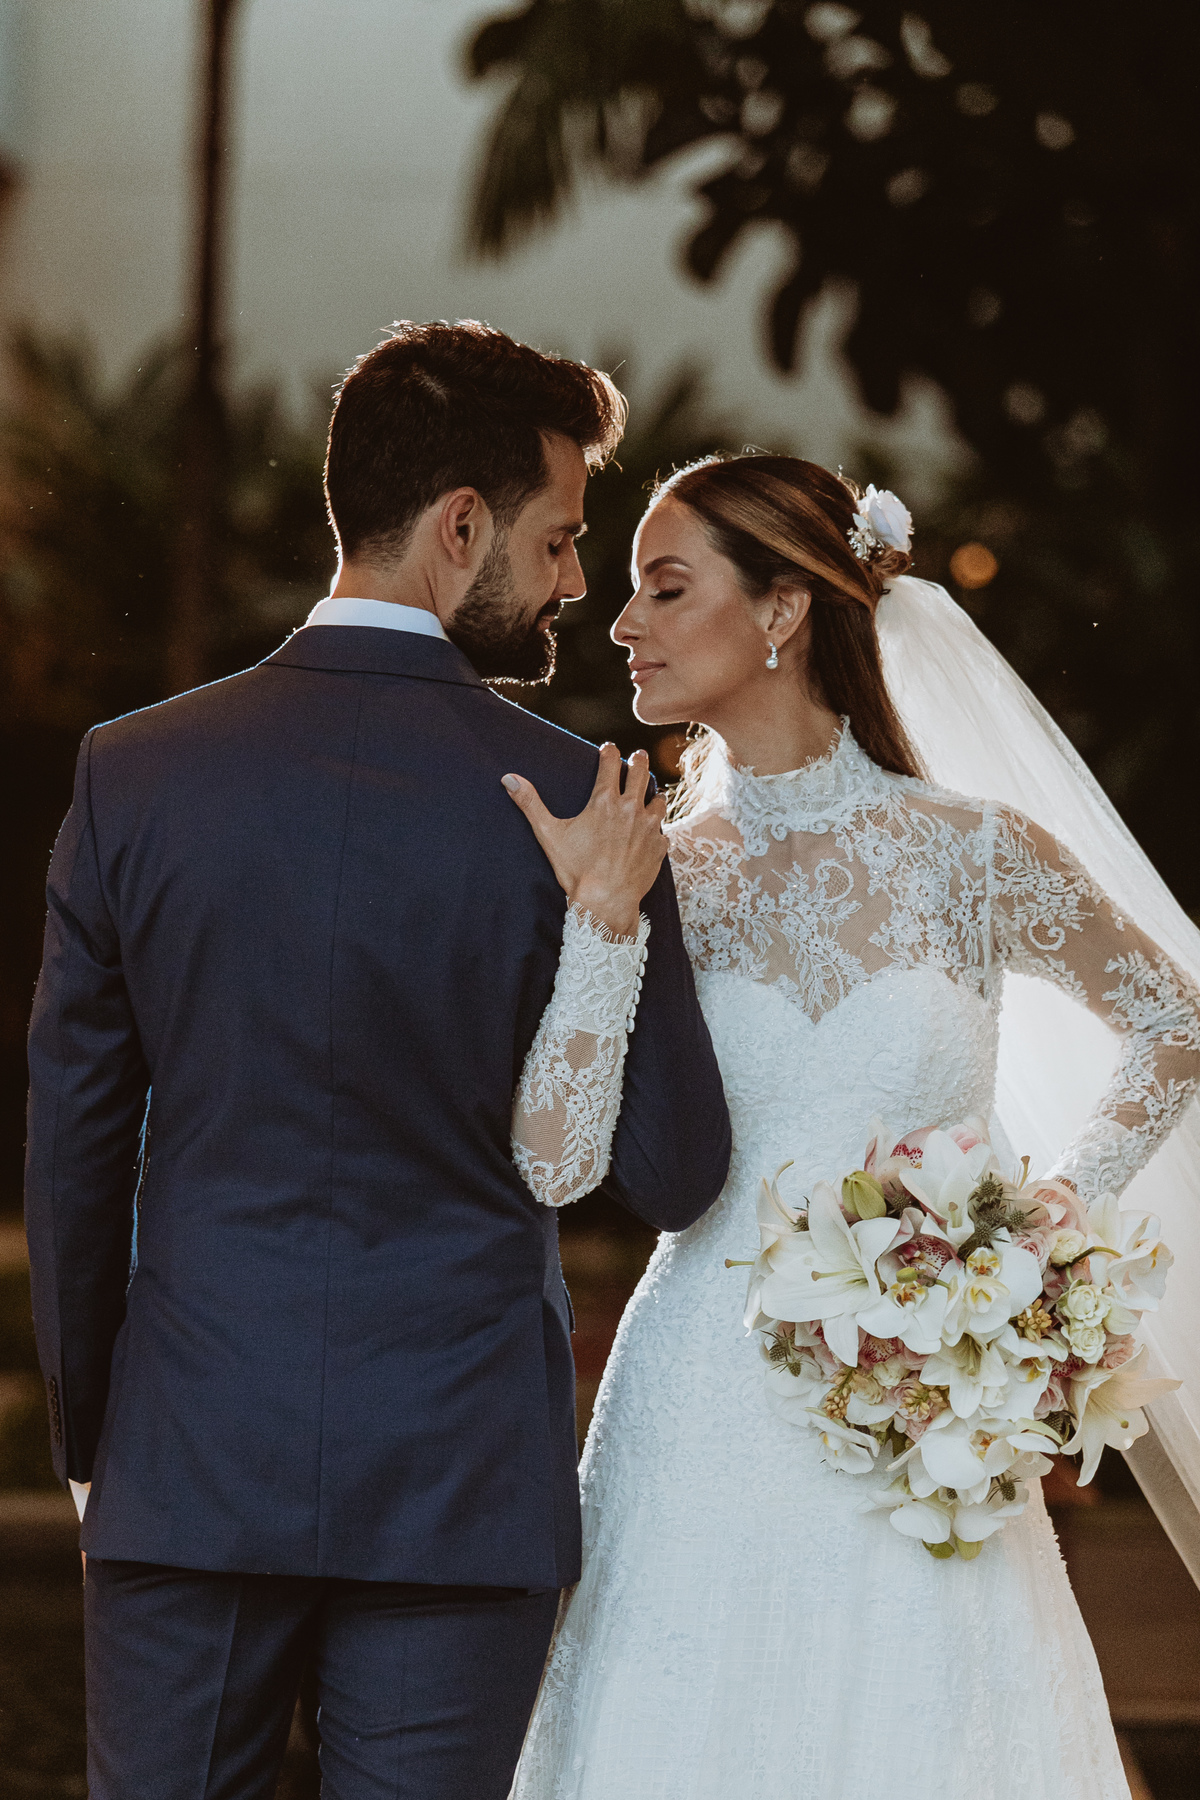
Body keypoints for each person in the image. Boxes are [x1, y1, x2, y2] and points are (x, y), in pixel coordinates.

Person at [22, 321, 731, 1800]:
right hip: (459, 1488)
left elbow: (76, 1152)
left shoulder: (135, 773)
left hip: (189, 1462)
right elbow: (673, 1172)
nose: (573, 586)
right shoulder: (584, 806)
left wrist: (101, 1442)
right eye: (557, 541)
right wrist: (610, 923)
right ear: (459, 527)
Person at [501, 453, 1200, 1798]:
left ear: (782, 610)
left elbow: (1173, 1022)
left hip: (923, 1412)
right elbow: (556, 1160)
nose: (622, 622)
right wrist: (601, 923)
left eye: (664, 587)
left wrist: (1041, 1232)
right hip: (698, 1404)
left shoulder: (973, 853)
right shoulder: (655, 869)